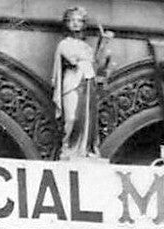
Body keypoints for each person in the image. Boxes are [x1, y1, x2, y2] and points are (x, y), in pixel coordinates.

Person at [51, 7, 113, 160]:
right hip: (72, 82)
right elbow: (71, 59)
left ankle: (85, 150)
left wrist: (104, 43)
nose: (75, 24)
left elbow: (97, 64)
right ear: (66, 23)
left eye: (79, 20)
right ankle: (68, 148)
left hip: (87, 82)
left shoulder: (86, 47)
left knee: (87, 118)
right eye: (72, 20)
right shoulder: (64, 44)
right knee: (72, 117)